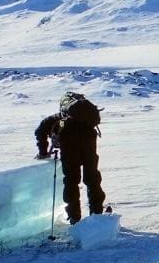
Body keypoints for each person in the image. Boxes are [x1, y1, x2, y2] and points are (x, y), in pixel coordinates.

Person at [35, 91, 106, 224]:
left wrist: (43, 152)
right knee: (92, 180)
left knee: (71, 182)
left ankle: (74, 217)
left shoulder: (58, 118)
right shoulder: (87, 119)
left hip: (70, 152)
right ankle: (97, 214)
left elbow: (40, 131)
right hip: (89, 149)